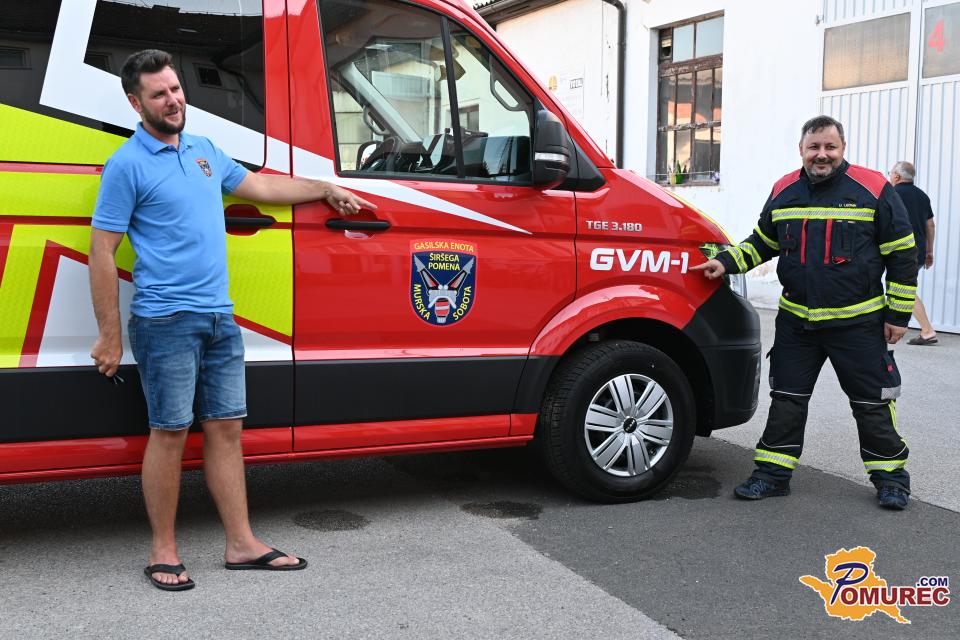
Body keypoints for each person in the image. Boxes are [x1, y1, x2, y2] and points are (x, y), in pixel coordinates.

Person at [89, 50, 376, 591]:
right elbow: (101, 250)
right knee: (170, 432)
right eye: (158, 94)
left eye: (175, 89)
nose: (173, 100)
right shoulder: (126, 164)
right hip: (165, 318)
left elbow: (260, 188)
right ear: (135, 103)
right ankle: (163, 550)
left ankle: (241, 544)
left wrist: (323, 188)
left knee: (226, 429)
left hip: (219, 316)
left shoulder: (204, 151)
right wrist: (108, 334)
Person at [691, 115, 919, 510]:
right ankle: (772, 476)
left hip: (858, 324)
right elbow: (763, 241)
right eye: (814, 147)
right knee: (786, 401)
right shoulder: (784, 190)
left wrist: (898, 315)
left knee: (873, 405)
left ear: (843, 148)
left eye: (830, 147)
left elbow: (902, 253)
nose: (822, 154)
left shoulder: (873, 188)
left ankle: (892, 480)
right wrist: (726, 263)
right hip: (797, 324)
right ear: (801, 150)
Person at [889, 161, 937, 345]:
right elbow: (930, 225)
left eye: (891, 173)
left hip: (898, 251)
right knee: (902, 288)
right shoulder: (922, 196)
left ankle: (927, 330)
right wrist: (929, 251)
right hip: (918, 251)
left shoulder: (891, 194)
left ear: (897, 176)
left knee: (904, 290)